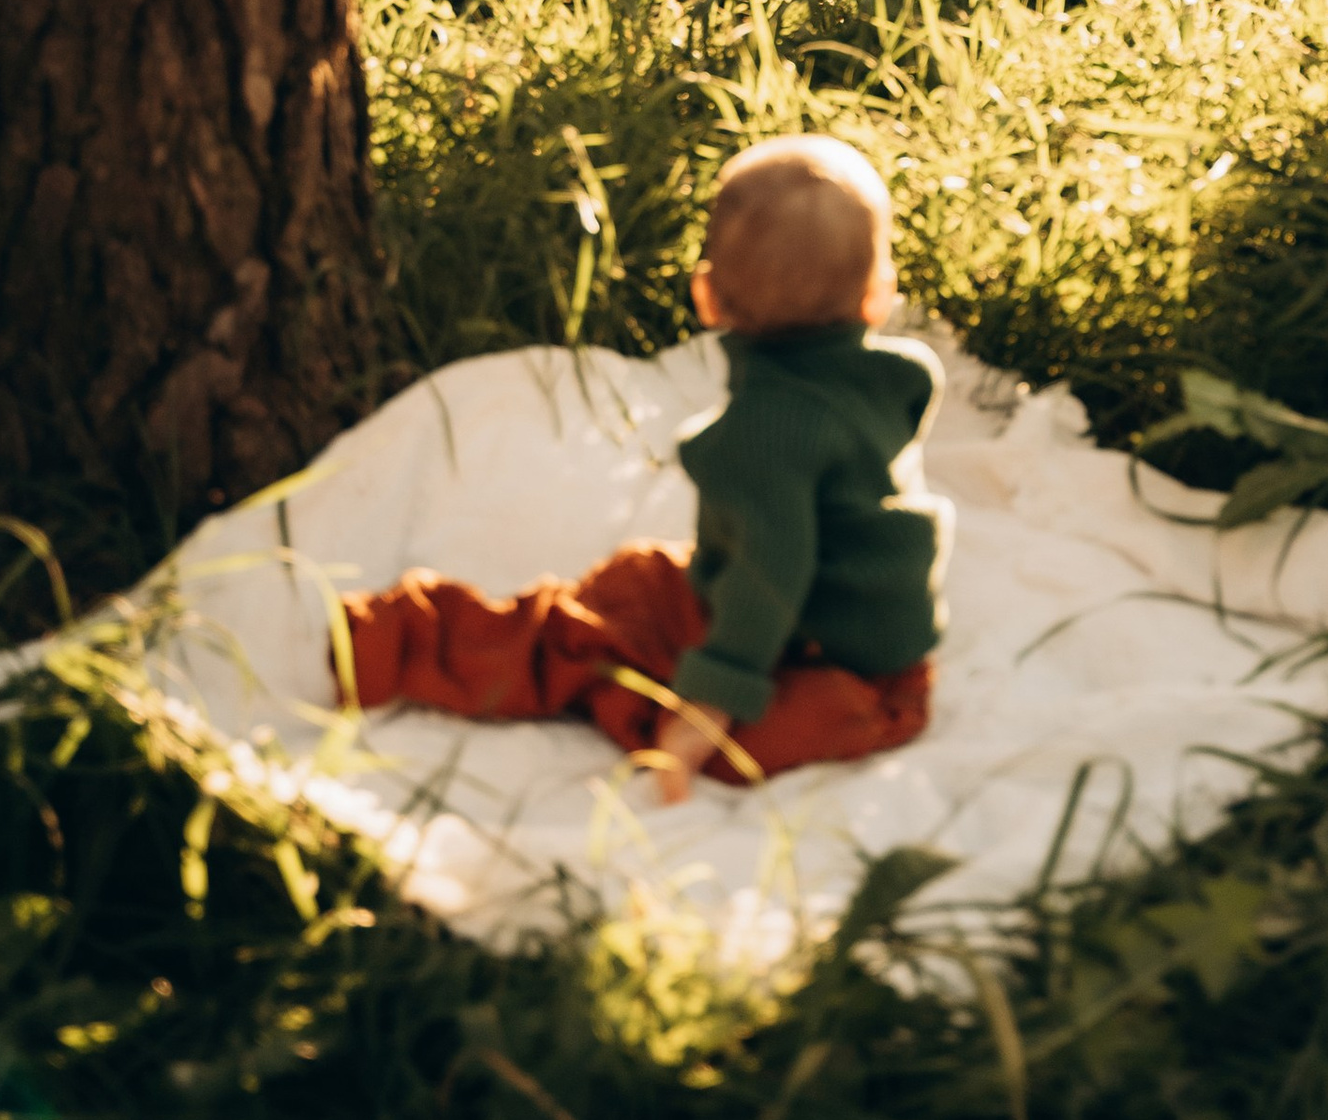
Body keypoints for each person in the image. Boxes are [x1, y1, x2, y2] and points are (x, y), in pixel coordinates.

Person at [339, 137, 947, 804]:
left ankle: (398, 643)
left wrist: (709, 703)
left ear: (707, 298)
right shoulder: (905, 377)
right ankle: (413, 648)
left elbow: (772, 570)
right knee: (638, 590)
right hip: (891, 656)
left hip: (814, 657)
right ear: (878, 296)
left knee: (591, 640)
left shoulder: (762, 437)